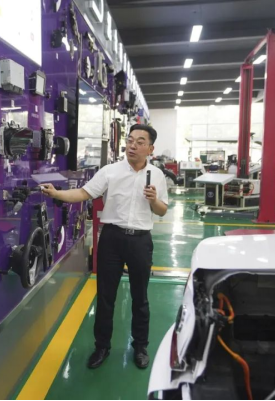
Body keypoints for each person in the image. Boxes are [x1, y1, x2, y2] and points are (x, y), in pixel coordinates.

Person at [41, 124, 169, 370]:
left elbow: (162, 210)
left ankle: (140, 346)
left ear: (150, 148)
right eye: (130, 140)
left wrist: (154, 200)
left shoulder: (157, 175)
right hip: (111, 239)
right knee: (106, 297)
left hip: (141, 241)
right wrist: (57, 194)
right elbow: (83, 193)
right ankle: (102, 346)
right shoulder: (110, 171)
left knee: (140, 297)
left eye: (140, 142)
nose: (132, 146)